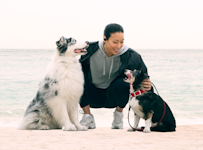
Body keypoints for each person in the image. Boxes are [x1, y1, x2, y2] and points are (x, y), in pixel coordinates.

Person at [79, 23, 152, 129]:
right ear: (105, 39)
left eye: (122, 42)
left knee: (124, 82)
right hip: (91, 96)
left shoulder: (131, 55)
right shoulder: (88, 49)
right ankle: (88, 117)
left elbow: (143, 75)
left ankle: (118, 117)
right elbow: (71, 64)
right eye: (115, 42)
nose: (119, 46)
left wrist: (147, 84)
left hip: (113, 97)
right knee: (77, 78)